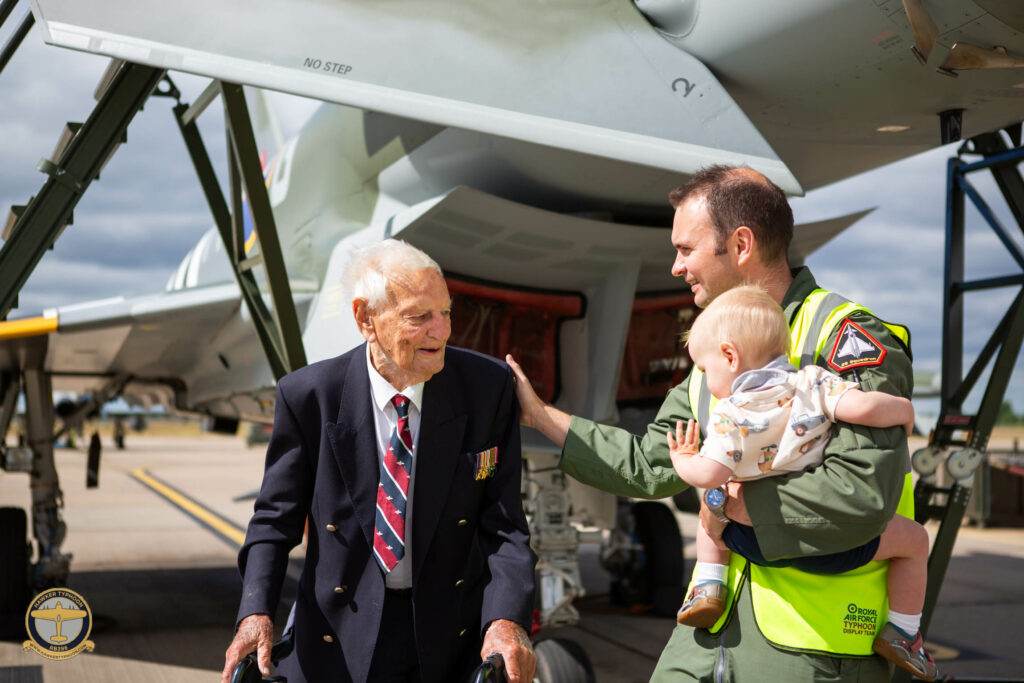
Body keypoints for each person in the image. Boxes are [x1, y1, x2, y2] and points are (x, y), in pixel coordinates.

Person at [507, 164, 919, 682]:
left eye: (685, 249)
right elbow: (652, 465)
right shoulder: (717, 355)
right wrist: (539, 415)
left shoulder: (846, 340)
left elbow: (861, 495)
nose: (676, 266)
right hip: (705, 642)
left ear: (741, 244)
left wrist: (727, 505)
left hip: (809, 650)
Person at [222, 239, 537, 683]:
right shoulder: (309, 396)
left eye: (446, 313)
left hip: (448, 637)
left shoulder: (488, 389)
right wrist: (255, 613)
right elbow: (275, 521)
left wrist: (507, 621)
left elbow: (504, 526)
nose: (442, 331)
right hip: (336, 638)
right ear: (364, 319)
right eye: (419, 316)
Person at [664, 285, 934, 680]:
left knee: (712, 505)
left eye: (705, 369)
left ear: (729, 355)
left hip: (749, 540)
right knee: (914, 542)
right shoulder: (812, 383)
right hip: (835, 545)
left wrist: (682, 460)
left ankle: (708, 586)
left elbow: (709, 473)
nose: (704, 379)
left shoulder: (730, 414)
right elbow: (863, 406)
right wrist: (903, 410)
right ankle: (905, 633)